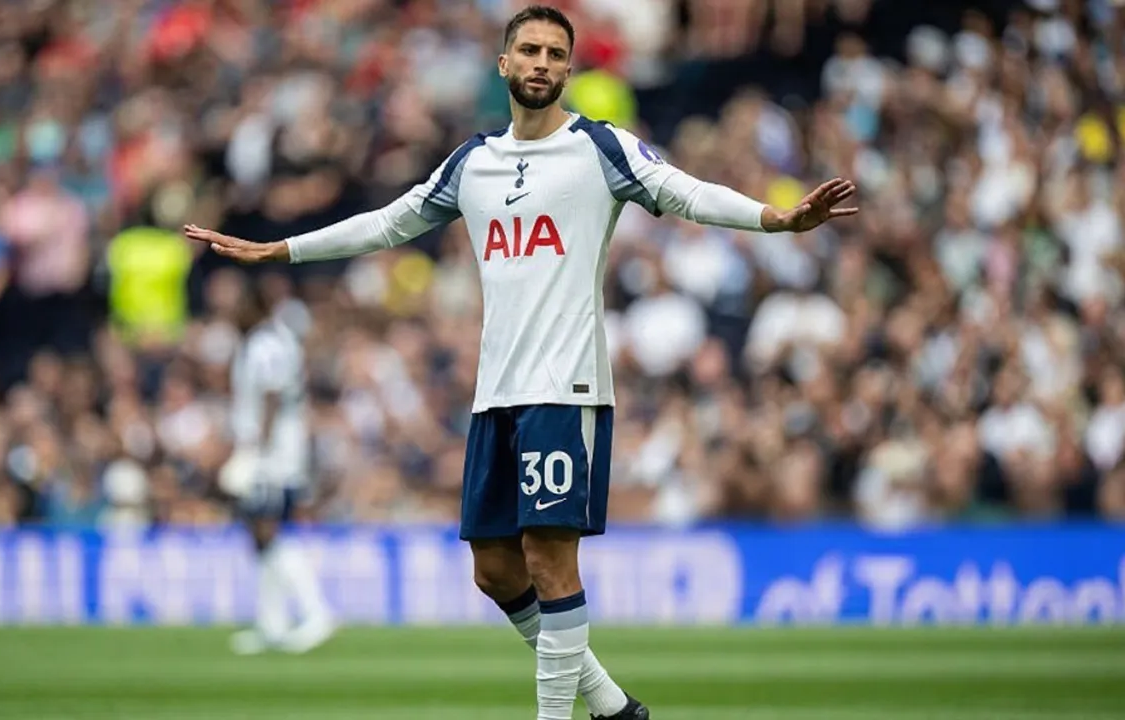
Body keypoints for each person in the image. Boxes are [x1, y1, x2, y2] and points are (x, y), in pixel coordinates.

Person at [186, 5, 857, 717]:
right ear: (504, 64)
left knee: (548, 558)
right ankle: (612, 707)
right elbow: (387, 223)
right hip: (495, 393)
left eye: (555, 53)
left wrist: (775, 219)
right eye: (530, 50)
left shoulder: (600, 148)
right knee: (495, 569)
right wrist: (282, 249)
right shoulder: (473, 162)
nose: (542, 63)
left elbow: (686, 192)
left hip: (565, 387)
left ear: (570, 69)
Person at [221, 290, 336, 656]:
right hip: (280, 446)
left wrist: (258, 449)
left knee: (267, 528)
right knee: (260, 533)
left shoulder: (264, 344)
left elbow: (271, 395)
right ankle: (272, 622)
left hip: (274, 450)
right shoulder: (277, 339)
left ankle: (316, 613)